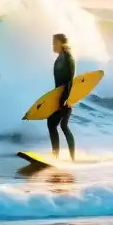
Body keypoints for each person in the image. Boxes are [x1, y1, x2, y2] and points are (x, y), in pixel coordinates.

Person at [49, 32, 77, 160]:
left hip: (65, 97)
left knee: (54, 124)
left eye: (54, 42)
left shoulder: (67, 58)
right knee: (62, 125)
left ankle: (57, 155)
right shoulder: (61, 57)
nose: (52, 45)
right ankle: (69, 157)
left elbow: (70, 80)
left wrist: (65, 99)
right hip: (61, 96)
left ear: (61, 43)